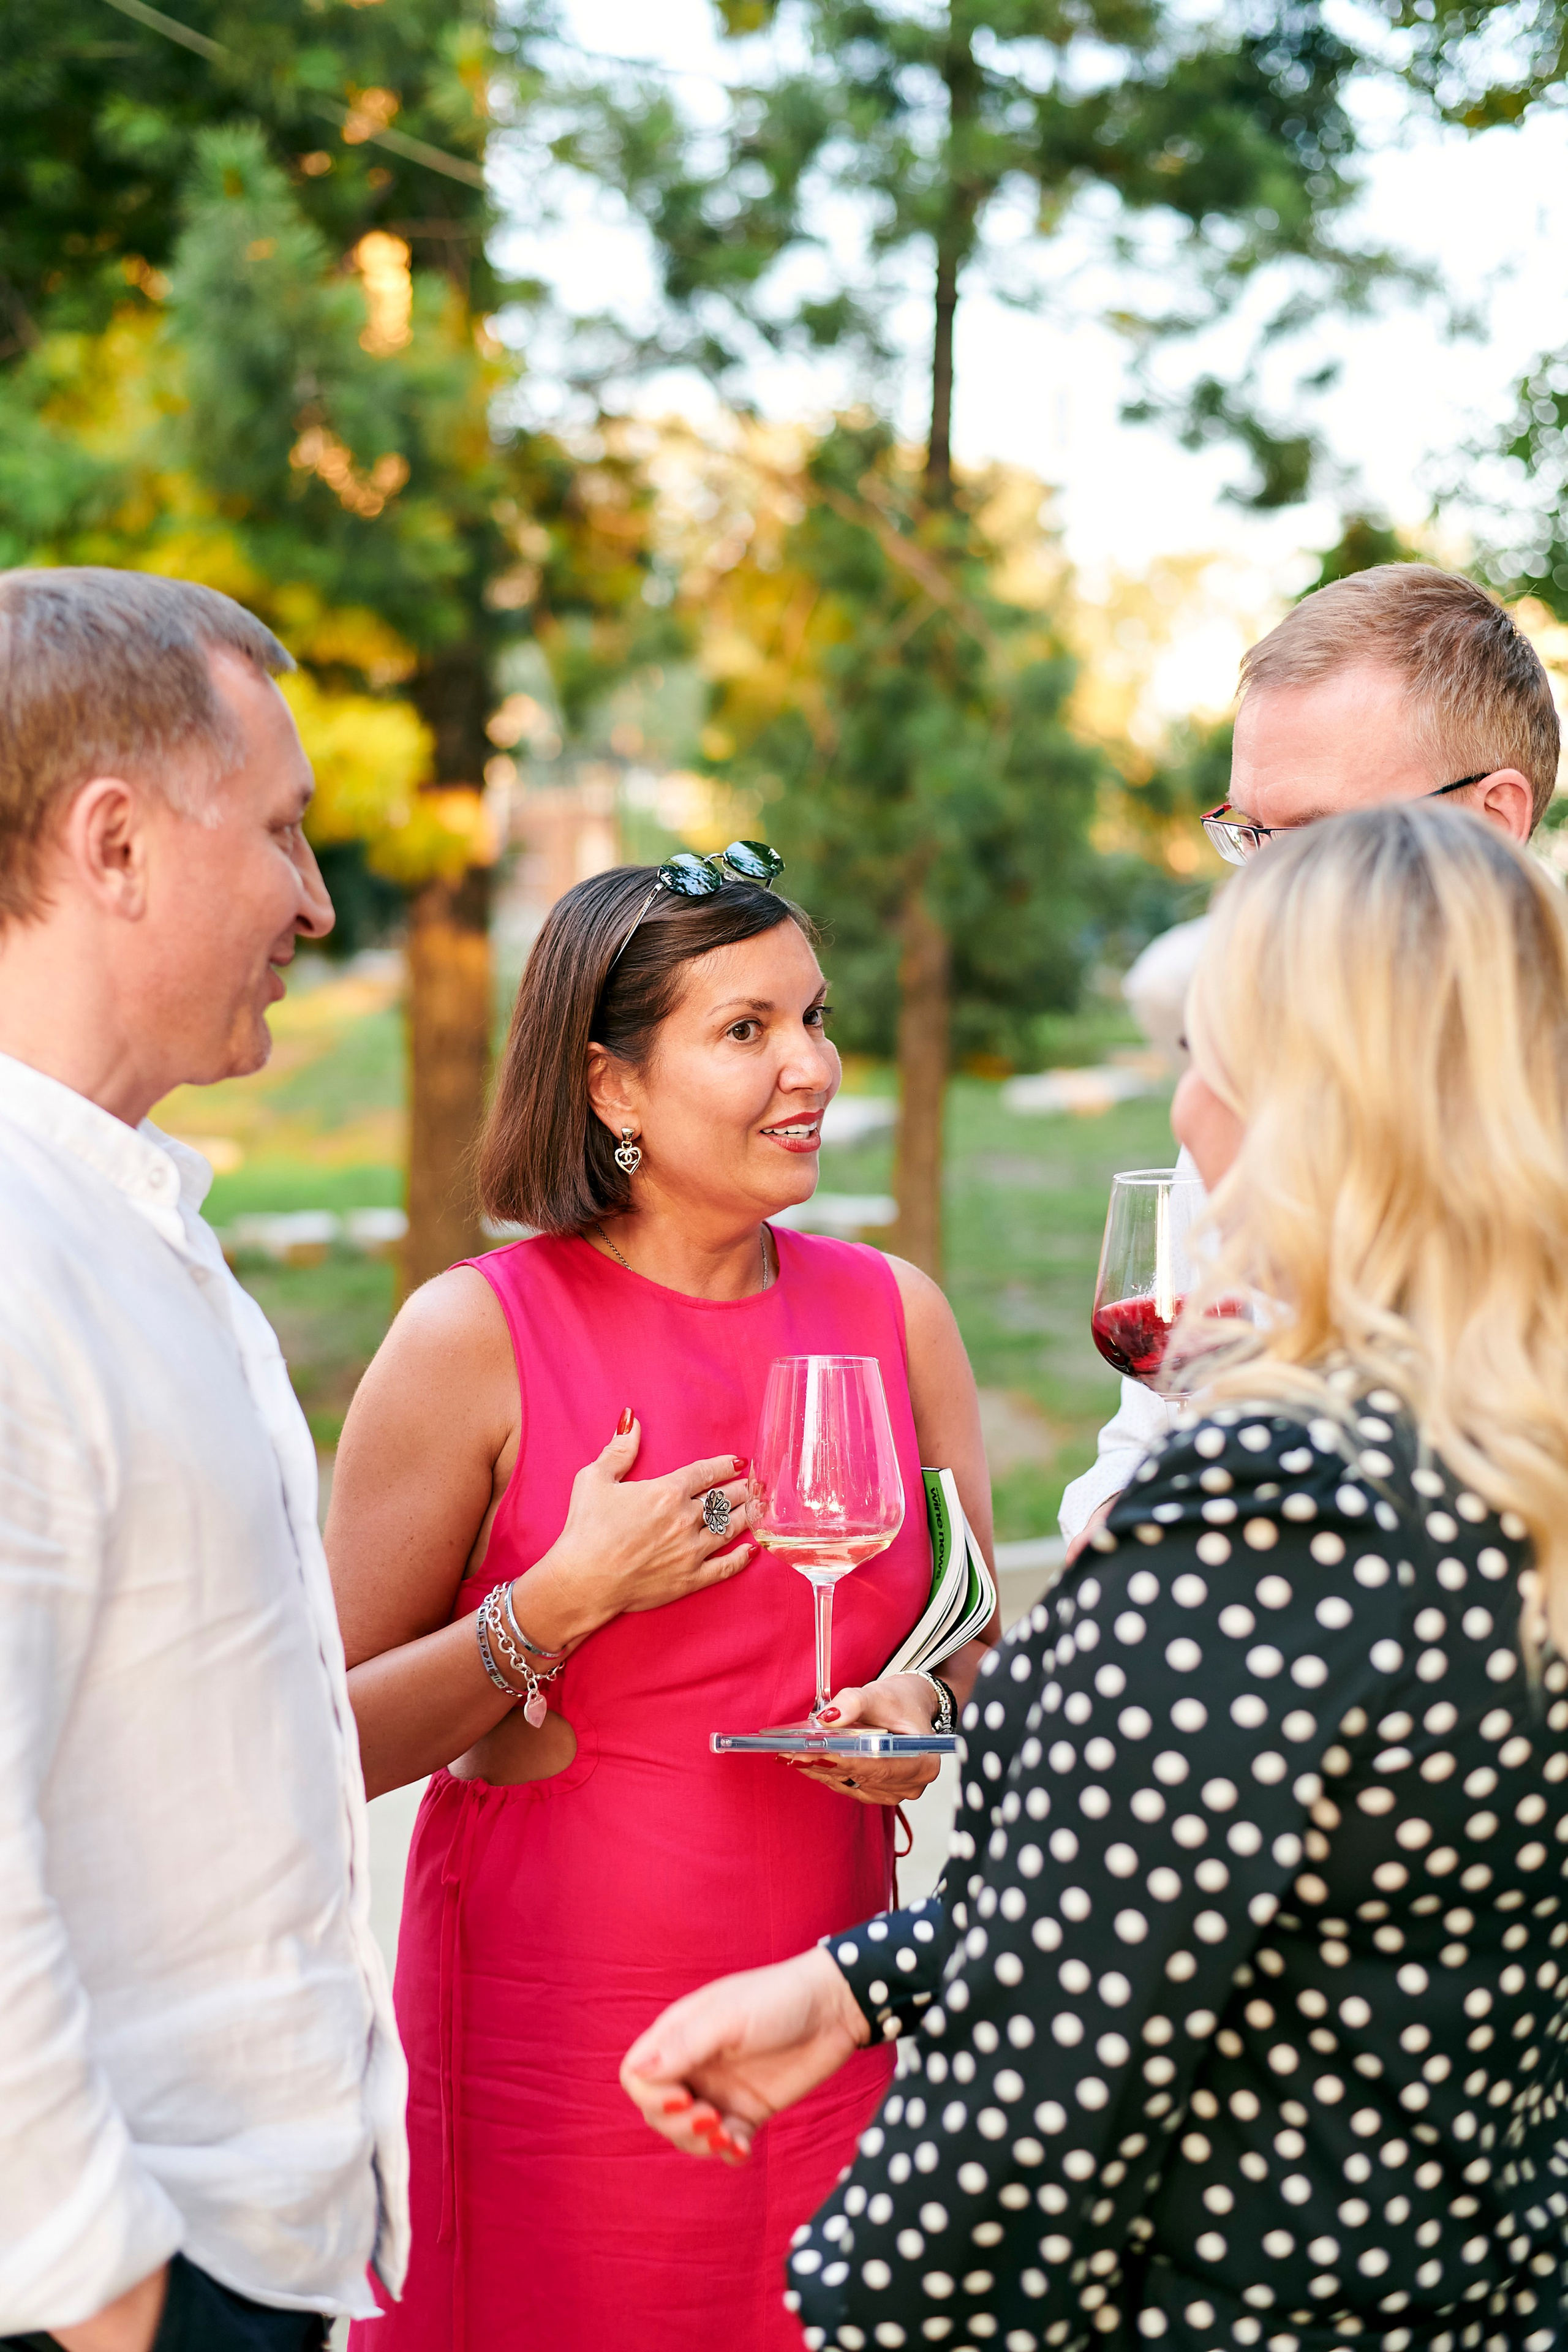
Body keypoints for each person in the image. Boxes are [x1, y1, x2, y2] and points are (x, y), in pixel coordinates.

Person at [623, 801, 1568, 2352]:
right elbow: (1252, 1887)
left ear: (1308, 1105)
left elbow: (1028, 2127)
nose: (1185, 1114)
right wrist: (860, 1984)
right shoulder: (1499, 1455)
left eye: (1206, 1059)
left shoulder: (1270, 1518)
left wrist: (857, 2302)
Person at [327, 856, 1000, 2352]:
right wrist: (556, 1605)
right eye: (745, 1029)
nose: (810, 1068)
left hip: (827, 2019)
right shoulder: (469, 1338)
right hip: (552, 2049)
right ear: (609, 1086)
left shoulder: (894, 1315)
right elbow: (320, 1741)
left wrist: (923, 1713)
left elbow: (970, 1638)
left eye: (813, 1018)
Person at [0, 570, 406, 2351]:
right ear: (115, 846)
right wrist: (115, 2295)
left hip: (231, 2247)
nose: (314, 902)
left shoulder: (119, 1210)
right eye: (284, 834)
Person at [1061, 561, 1560, 1556]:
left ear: (1495, 819)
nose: (1264, 887)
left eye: (1323, 836)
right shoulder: (1245, 1085)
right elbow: (1137, 1446)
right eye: (1252, 831)